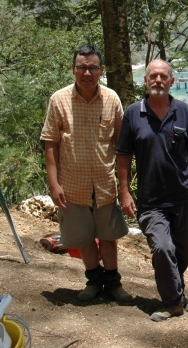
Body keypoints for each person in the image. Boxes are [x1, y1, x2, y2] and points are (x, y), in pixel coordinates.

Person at [117, 59, 188, 322]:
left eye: (163, 76)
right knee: (162, 247)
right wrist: (123, 191)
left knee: (181, 252)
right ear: (145, 81)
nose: (158, 80)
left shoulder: (183, 111)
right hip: (152, 199)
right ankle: (172, 302)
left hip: (184, 195)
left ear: (172, 82)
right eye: (153, 76)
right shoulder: (134, 114)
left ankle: (177, 294)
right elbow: (123, 155)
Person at [40, 44, 132, 303]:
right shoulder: (59, 100)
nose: (87, 73)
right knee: (83, 237)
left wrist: (124, 186)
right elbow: (50, 143)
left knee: (108, 236)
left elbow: (121, 143)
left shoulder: (112, 99)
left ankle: (113, 284)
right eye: (82, 67)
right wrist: (53, 183)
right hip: (72, 185)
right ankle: (93, 282)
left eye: (93, 67)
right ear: (73, 69)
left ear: (101, 70)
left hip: (104, 183)